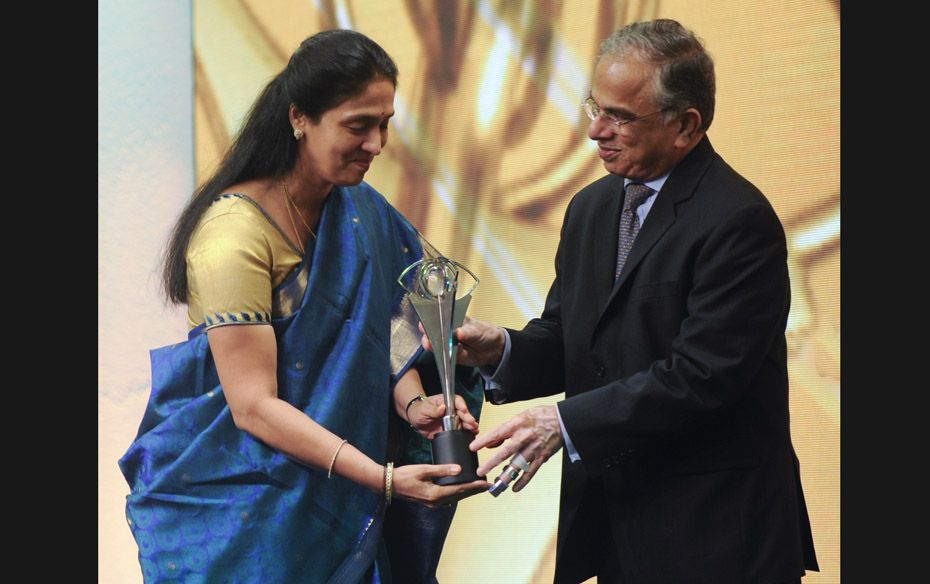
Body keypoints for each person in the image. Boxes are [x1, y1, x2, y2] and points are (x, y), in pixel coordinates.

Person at [435, 18, 820, 583]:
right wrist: (502, 351)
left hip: (716, 533)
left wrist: (562, 423)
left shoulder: (738, 219)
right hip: (618, 521)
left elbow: (701, 377)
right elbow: (576, 339)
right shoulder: (591, 208)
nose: (595, 130)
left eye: (619, 116)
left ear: (685, 125)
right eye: (595, 106)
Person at [118, 29, 487, 583]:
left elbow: (388, 332)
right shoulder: (232, 235)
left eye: (384, 123)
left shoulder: (361, 212)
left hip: (344, 494)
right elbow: (253, 407)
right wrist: (384, 480)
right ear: (299, 119)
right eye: (357, 126)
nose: (376, 144)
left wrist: (414, 406)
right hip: (244, 507)